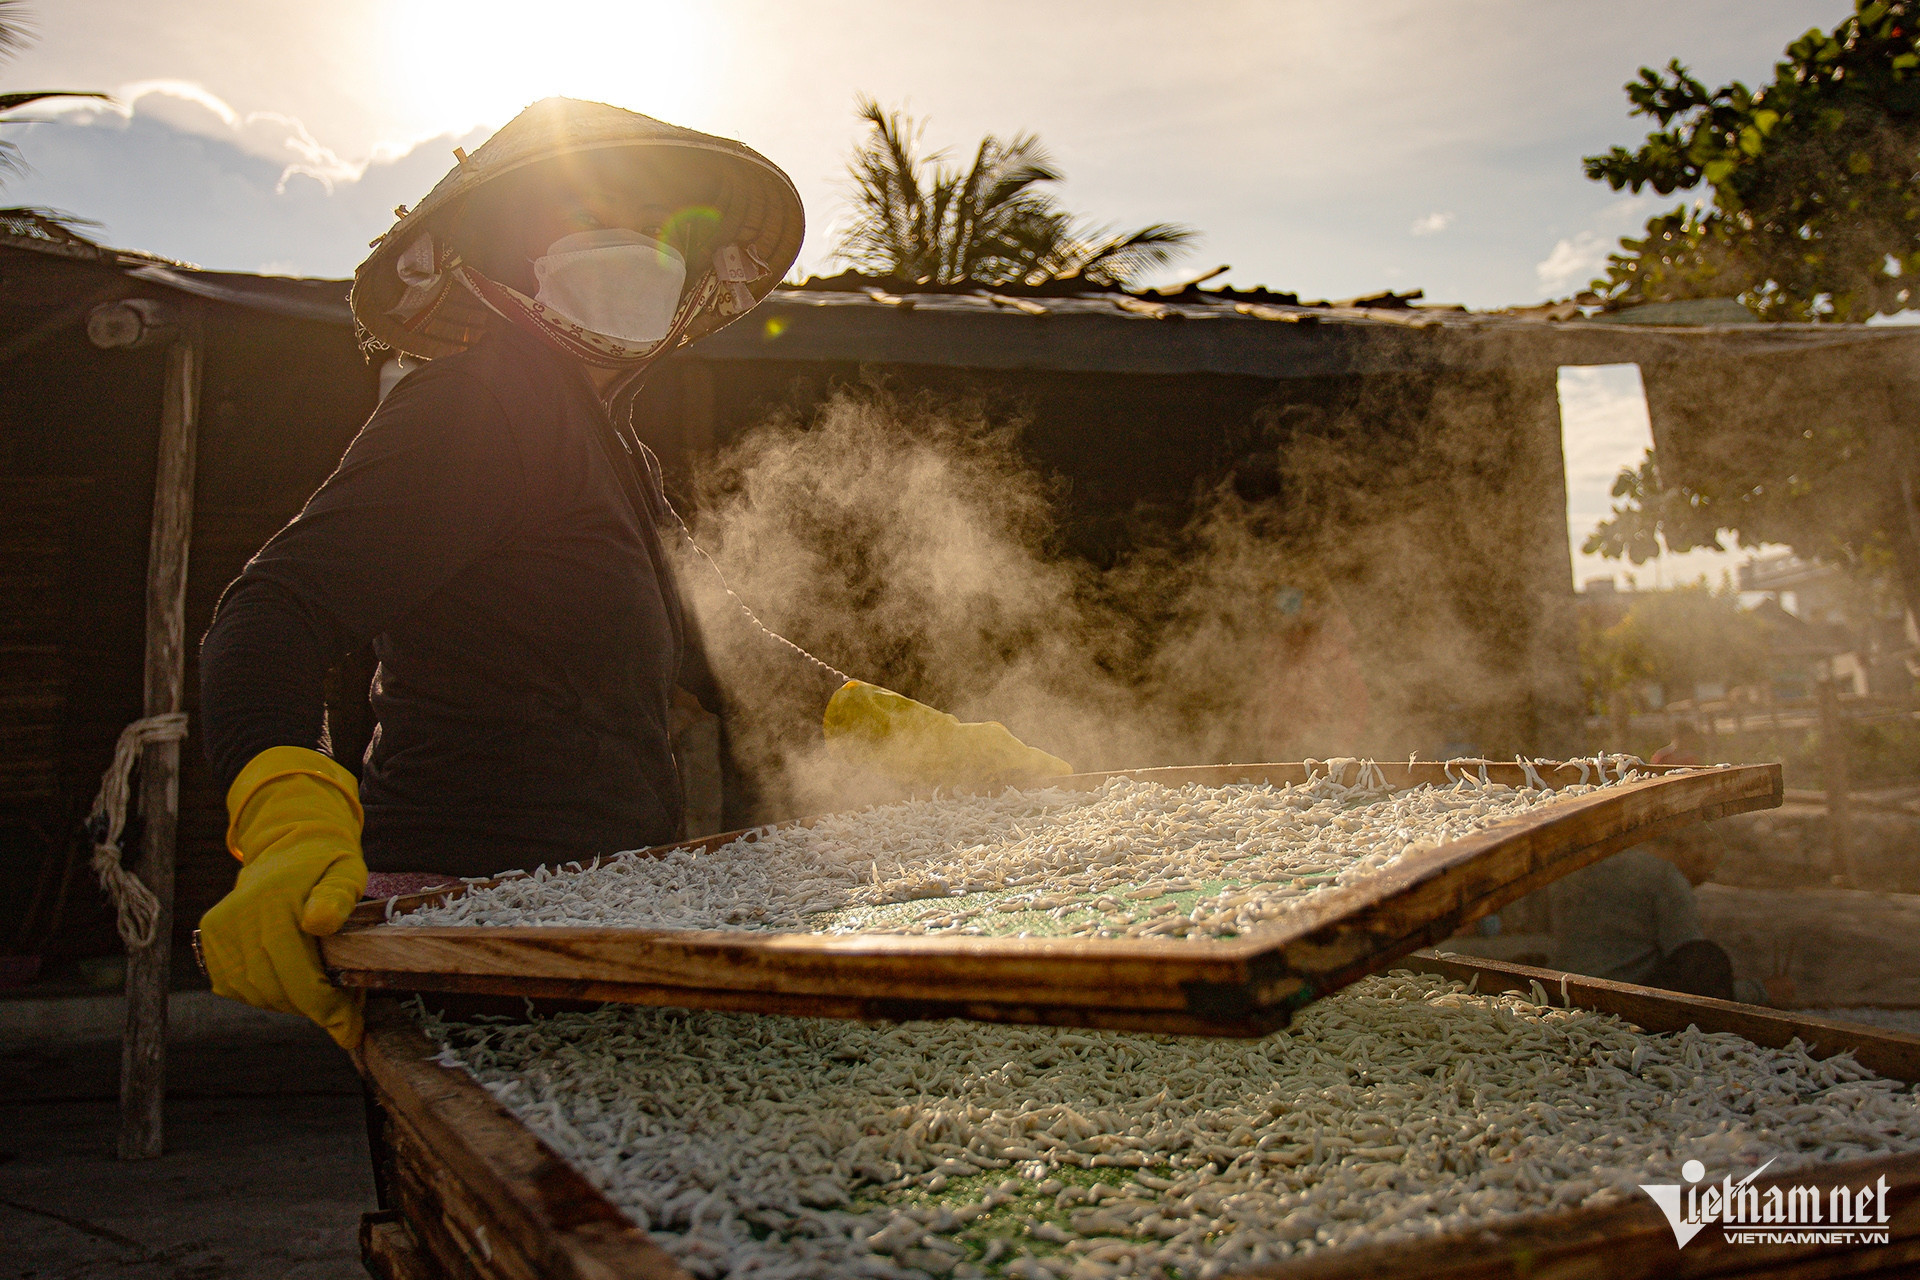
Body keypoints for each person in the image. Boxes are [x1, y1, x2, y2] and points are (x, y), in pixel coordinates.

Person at [195, 99, 1071, 1050]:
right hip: (472, 924)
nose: (639, 248)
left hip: (594, 910)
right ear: (496, 263)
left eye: (663, 226)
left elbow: (726, 653)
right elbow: (273, 610)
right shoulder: (476, 406)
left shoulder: (613, 448)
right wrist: (290, 820)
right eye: (585, 218)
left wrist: (922, 739)